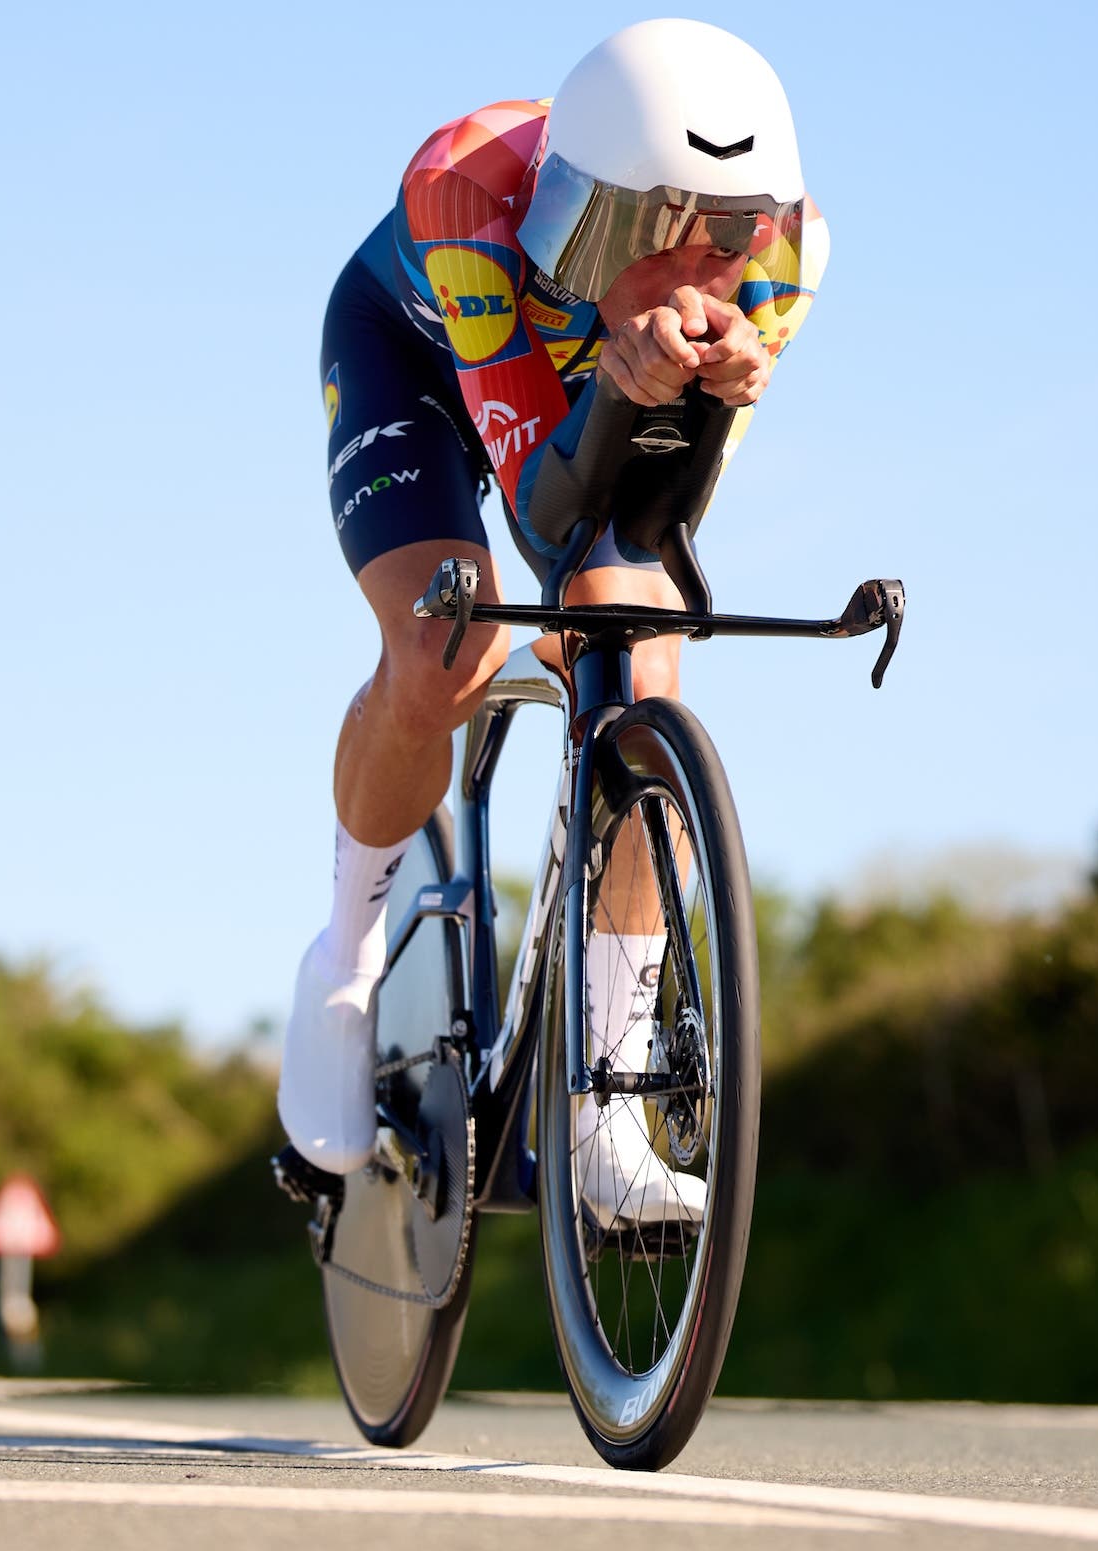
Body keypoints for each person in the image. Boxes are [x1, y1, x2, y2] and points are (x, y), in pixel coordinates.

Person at [284, 18, 830, 1222]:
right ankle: (343, 962)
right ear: (595, 216)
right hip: (419, 363)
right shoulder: (465, 194)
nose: (702, 274)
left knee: (640, 678)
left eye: (727, 240)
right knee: (448, 653)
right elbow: (543, 516)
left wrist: (708, 400)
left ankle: (610, 1107)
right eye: (661, 236)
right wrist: (621, 401)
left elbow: (649, 531)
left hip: (595, 390)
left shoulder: (788, 263)